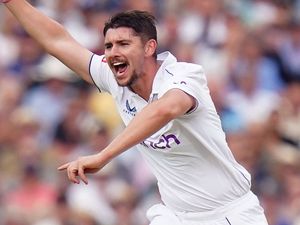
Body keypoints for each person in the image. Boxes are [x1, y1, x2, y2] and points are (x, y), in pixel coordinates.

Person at [2, 1, 269, 224]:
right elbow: (56, 40)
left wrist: (104, 155)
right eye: (108, 46)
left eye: (123, 44)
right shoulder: (115, 79)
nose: (112, 53)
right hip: (177, 216)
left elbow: (163, 110)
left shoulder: (184, 75)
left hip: (231, 214)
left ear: (149, 47)